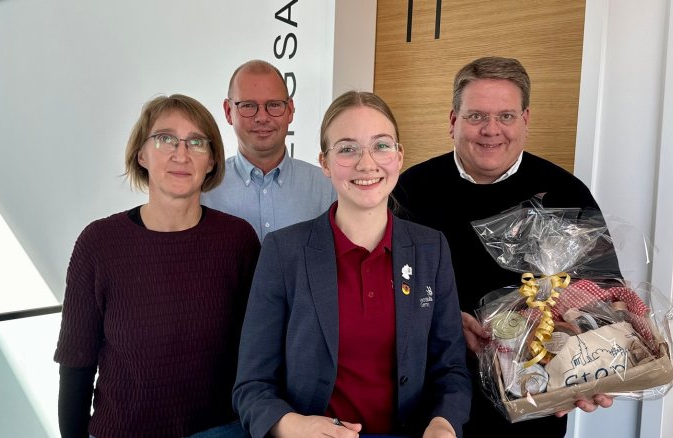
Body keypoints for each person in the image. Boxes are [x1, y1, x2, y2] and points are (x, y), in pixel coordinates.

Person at [391, 57, 613, 437]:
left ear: (525, 119)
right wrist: (442, 321)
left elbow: (605, 297)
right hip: (427, 406)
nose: (491, 130)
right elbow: (379, 291)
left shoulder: (566, 194)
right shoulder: (409, 190)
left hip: (533, 407)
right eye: (476, 116)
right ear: (452, 121)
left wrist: (595, 363)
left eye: (506, 116)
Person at [233, 91, 471, 438]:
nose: (366, 163)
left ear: (399, 156)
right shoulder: (284, 252)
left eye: (381, 145)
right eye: (347, 148)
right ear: (325, 164)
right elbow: (251, 386)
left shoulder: (430, 248)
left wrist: (443, 424)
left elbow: (451, 370)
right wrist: (291, 425)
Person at [54, 94, 260, 438]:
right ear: (141, 154)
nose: (181, 154)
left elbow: (258, 354)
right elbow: (76, 364)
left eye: (197, 142)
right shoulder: (98, 243)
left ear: (211, 160)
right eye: (165, 139)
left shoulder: (238, 240)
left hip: (222, 431)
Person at [203, 59, 337, 241]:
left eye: (273, 105)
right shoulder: (204, 190)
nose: (262, 117)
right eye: (248, 105)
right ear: (228, 112)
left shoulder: (327, 187)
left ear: (290, 110)